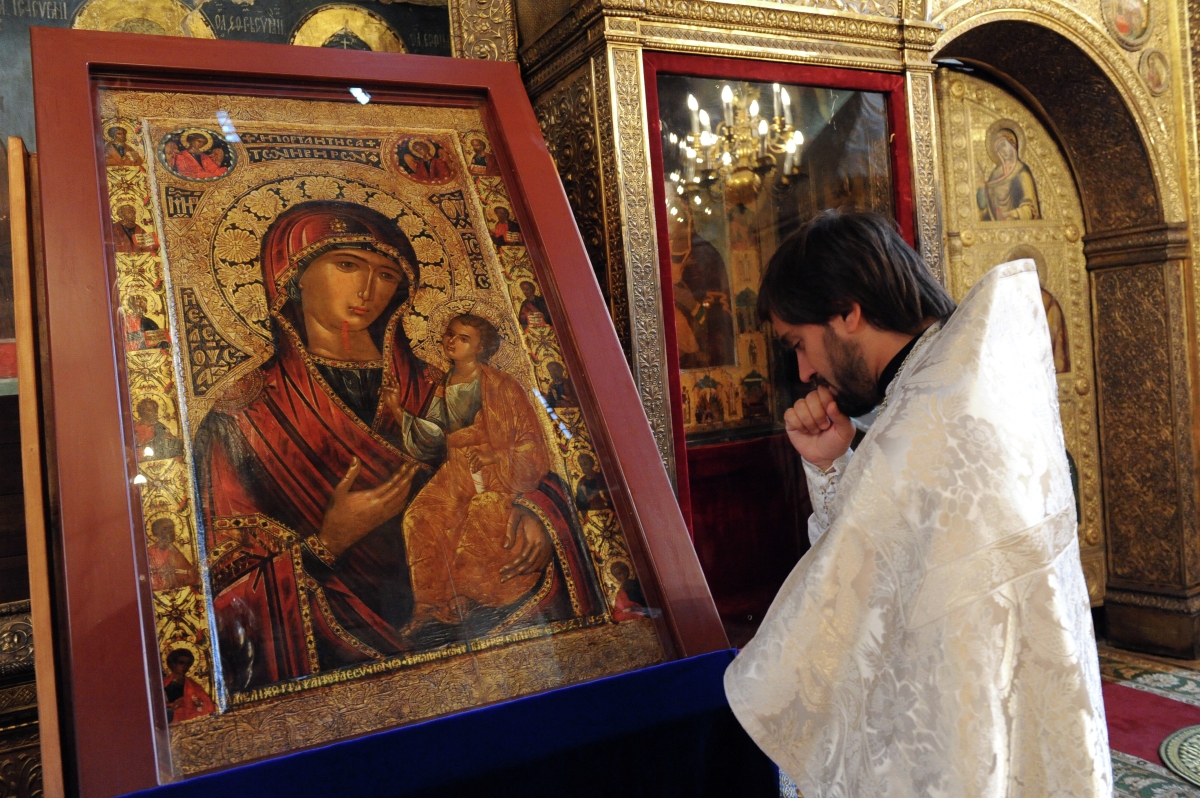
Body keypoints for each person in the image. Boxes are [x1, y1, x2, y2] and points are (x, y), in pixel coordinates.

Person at [724, 210, 1110, 796]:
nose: (802, 370)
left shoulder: (929, 418)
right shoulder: (954, 380)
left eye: (798, 344)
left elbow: (852, 595)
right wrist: (831, 463)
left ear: (847, 312)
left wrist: (750, 688)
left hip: (960, 722)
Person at [194, 200, 603, 691]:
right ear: (291, 275)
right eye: (347, 265)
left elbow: (539, 458)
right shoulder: (245, 413)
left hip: (490, 619)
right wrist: (328, 543)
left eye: (386, 275)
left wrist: (537, 514)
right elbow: (220, 587)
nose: (368, 290)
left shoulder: (442, 385)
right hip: (348, 656)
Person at [388, 314, 550, 627]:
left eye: (463, 338)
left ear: (480, 348)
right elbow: (434, 437)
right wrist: (397, 410)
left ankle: (465, 595)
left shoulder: (501, 385)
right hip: (457, 469)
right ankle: (428, 602)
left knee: (482, 509)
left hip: (497, 474)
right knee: (419, 516)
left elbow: (531, 442)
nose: (452, 341)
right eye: (449, 334)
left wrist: (496, 455)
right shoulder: (444, 384)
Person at [978, 128, 1040, 221]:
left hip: (1018, 225)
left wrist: (1009, 214)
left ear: (1013, 145)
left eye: (1004, 145)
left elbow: (1031, 210)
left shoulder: (1022, 172)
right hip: (997, 225)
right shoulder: (995, 174)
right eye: (999, 148)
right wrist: (982, 188)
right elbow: (984, 206)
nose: (1002, 151)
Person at [163, 648, 215, 723]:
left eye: (188, 664)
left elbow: (209, 706)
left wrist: (199, 704)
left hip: (189, 721)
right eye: (181, 663)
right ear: (173, 663)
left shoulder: (194, 686)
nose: (185, 666)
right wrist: (173, 707)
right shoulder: (163, 684)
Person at [147, 518, 199, 591]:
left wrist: (190, 573)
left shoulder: (173, 550)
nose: (170, 531)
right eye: (165, 529)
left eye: (171, 528)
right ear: (156, 533)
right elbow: (151, 578)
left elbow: (190, 575)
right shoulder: (150, 552)